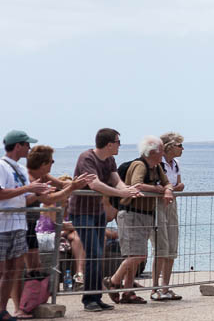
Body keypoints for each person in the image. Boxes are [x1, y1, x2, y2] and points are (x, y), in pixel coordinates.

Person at [12, 146, 93, 318]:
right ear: (43, 163)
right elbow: (50, 198)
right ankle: (19, 306)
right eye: (51, 162)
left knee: (36, 266)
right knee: (20, 267)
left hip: (31, 224)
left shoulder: (43, 176)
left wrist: (76, 183)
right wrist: (71, 188)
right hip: (21, 223)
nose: (53, 164)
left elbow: (61, 185)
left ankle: (30, 303)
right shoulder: (29, 177)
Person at [68, 128, 143, 312]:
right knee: (93, 252)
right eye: (118, 142)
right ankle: (89, 299)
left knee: (98, 254)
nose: (119, 146)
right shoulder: (87, 158)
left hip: (97, 212)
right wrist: (121, 192)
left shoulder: (109, 159)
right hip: (82, 211)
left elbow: (115, 179)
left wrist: (128, 190)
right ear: (109, 144)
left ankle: (97, 297)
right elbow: (95, 184)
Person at [106, 136, 175, 305]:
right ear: (152, 152)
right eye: (161, 151)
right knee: (137, 254)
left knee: (136, 254)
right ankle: (113, 281)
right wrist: (157, 189)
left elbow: (168, 183)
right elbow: (136, 185)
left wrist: (167, 191)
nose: (163, 154)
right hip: (131, 214)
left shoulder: (157, 166)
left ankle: (128, 292)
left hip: (145, 214)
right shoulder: (140, 165)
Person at [0, 131, 52, 321]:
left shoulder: (21, 169)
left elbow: (23, 199)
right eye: (26, 145)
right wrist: (29, 188)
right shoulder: (2, 166)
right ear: (18, 146)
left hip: (18, 224)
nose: (29, 148)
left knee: (13, 271)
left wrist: (39, 193)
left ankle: (2, 310)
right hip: (3, 226)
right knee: (2, 270)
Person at [151, 132, 185, 301]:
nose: (182, 149)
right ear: (170, 147)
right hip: (158, 205)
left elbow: (175, 184)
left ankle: (166, 286)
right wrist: (170, 188)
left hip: (171, 205)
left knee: (171, 246)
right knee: (160, 247)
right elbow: (160, 185)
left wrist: (173, 187)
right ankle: (155, 287)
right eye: (179, 146)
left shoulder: (176, 164)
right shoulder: (158, 163)